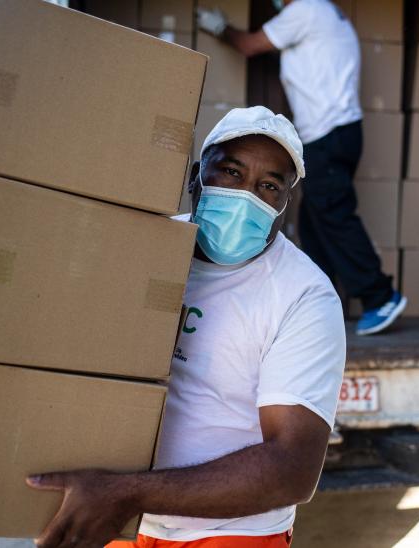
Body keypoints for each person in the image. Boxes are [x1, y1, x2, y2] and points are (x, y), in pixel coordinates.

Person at [26, 107, 346, 548]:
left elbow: (292, 468)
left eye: (269, 186)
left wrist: (125, 493)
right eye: (231, 172)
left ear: (284, 203)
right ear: (197, 175)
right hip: (113, 519)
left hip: (226, 534)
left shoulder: (304, 295)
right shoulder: (147, 249)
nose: (246, 196)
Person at [195, 0, 406, 335]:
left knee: (334, 215)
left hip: (328, 135)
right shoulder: (326, 13)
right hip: (339, 133)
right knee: (313, 223)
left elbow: (250, 45)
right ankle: (318, 306)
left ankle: (379, 296)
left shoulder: (306, 9)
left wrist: (220, 27)